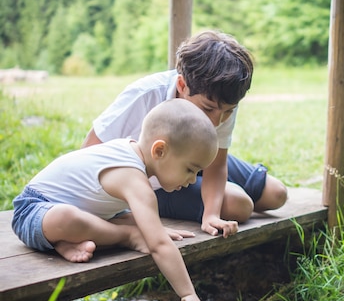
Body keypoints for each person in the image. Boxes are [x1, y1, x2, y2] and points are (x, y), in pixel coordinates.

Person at [12, 99, 218, 301]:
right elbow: (159, 246)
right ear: (159, 151)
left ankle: (66, 242)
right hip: (34, 210)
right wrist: (188, 295)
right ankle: (122, 236)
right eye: (190, 169)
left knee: (126, 218)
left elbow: (141, 223)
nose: (193, 180)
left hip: (86, 213)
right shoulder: (133, 178)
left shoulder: (134, 155)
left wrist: (154, 230)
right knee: (67, 218)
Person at [82, 30, 288, 239]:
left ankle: (210, 194)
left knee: (277, 194)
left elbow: (216, 165)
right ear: (182, 85)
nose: (215, 122)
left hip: (200, 158)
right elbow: (89, 152)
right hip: (159, 180)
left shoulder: (221, 99)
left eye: (228, 111)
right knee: (239, 204)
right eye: (207, 109)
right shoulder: (144, 95)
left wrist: (211, 214)